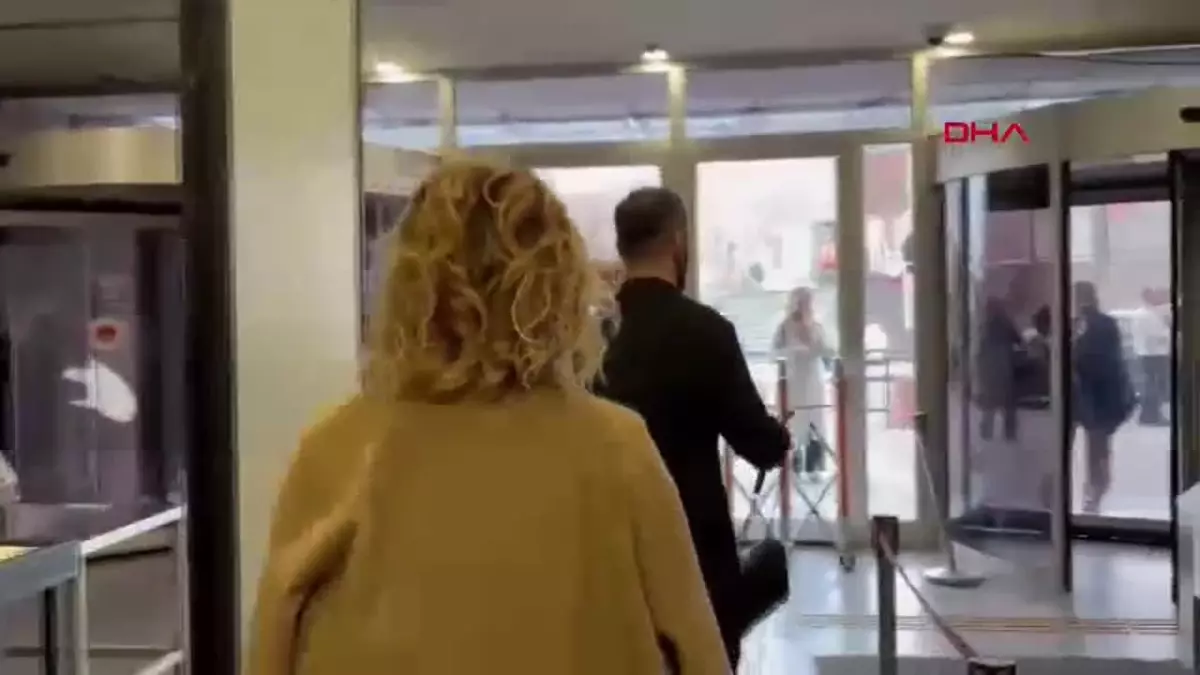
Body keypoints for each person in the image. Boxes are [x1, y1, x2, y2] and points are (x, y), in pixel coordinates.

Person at [247, 162, 729, 675]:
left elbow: (275, 632)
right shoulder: (616, 447)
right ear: (561, 283)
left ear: (409, 283)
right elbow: (698, 650)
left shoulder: (338, 447)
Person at [595, 186, 791, 668]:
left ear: (622, 247)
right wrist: (778, 434)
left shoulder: (594, 340)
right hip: (696, 548)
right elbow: (760, 445)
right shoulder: (707, 332)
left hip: (612, 550)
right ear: (678, 242)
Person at [1073, 281, 1135, 514]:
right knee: (1098, 444)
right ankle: (1097, 487)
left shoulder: (1086, 325)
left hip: (1095, 393)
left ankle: (1095, 490)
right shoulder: (1106, 323)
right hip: (1105, 393)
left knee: (1096, 444)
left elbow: (1087, 358)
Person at [772, 287, 834, 478]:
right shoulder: (784, 328)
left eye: (807, 302)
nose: (803, 306)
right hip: (793, 382)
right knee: (794, 424)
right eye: (800, 302)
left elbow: (827, 351)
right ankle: (793, 466)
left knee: (815, 424)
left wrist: (819, 349)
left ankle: (814, 467)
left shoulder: (817, 326)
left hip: (813, 382)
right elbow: (773, 352)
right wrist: (792, 352)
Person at [1131, 287, 1170, 426]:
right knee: (1154, 387)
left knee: (1153, 386)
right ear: (1147, 297)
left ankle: (1149, 415)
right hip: (1153, 354)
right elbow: (1155, 335)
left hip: (1152, 353)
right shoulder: (1145, 315)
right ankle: (1151, 416)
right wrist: (1168, 335)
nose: (1158, 297)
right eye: (1154, 295)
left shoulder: (1150, 313)